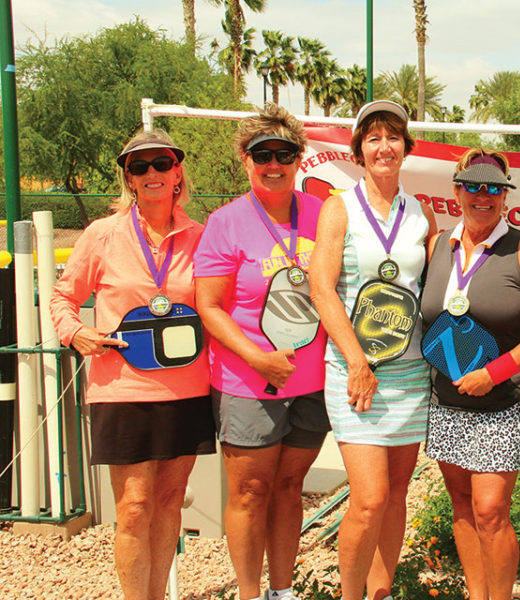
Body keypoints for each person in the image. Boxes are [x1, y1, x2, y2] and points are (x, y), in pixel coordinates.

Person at [50, 130, 214, 600]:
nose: (151, 174)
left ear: (177, 172)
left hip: (186, 391)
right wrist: (74, 331)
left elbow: (219, 307)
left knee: (168, 502)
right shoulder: (102, 235)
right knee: (135, 505)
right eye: (139, 167)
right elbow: (63, 297)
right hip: (121, 391)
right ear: (129, 177)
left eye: (160, 164)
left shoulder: (200, 238)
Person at [194, 104, 330, 600]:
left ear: (300, 159)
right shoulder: (226, 222)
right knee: (250, 492)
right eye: (262, 154)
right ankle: (250, 592)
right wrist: (257, 357)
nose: (274, 164)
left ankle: (283, 590)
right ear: (246, 161)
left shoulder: (322, 213)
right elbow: (208, 306)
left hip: (313, 381)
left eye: (285, 154)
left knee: (291, 487)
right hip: (248, 382)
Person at [419, 148, 520, 600]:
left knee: (490, 511)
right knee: (461, 507)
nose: (483, 196)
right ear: (457, 191)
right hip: (449, 399)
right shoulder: (437, 244)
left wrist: (494, 372)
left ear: (505, 196)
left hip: (505, 400)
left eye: (494, 189)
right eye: (474, 186)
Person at [309, 100, 437, 600]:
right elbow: (321, 289)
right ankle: (351, 595)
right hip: (354, 374)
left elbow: (437, 286)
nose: (384, 147)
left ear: (406, 147)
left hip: (409, 375)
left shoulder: (420, 213)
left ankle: (381, 591)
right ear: (359, 149)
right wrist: (358, 363)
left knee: (397, 495)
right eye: (373, 138)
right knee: (369, 498)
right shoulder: (338, 207)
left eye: (393, 137)